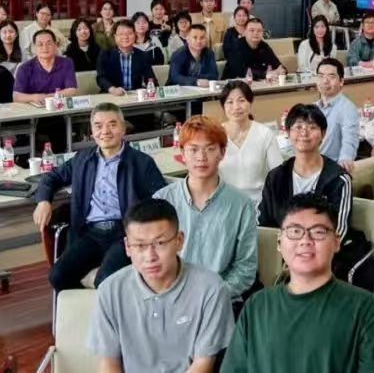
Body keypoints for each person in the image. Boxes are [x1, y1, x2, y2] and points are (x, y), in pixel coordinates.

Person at [221, 193, 374, 373]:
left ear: (336, 242)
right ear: (279, 242)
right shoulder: (257, 306)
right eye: (295, 231)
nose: (305, 241)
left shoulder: (366, 310)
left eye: (318, 232)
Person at [88, 198, 234, 373]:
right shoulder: (109, 291)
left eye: (160, 243)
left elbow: (203, 365)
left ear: (179, 240)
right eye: (140, 245)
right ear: (127, 246)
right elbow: (109, 364)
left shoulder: (212, 289)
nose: (150, 256)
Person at [33, 102, 168, 290]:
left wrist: (142, 233)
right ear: (91, 131)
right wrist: (43, 201)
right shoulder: (82, 159)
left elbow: (162, 201)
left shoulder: (141, 162)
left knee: (105, 281)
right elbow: (50, 178)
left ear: (123, 128)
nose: (105, 131)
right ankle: (89, 299)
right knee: (58, 276)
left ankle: (103, 298)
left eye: (112, 124)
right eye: (98, 126)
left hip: (125, 234)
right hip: (88, 233)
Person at [153, 116, 257, 299]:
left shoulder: (241, 205)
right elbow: (152, 256)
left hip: (221, 299)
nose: (201, 157)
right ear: (182, 153)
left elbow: (245, 268)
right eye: (193, 149)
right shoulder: (162, 200)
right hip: (171, 297)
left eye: (210, 149)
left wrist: (212, 296)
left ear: (222, 152)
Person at [258, 104, 353, 238]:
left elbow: (339, 232)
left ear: (323, 134)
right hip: (281, 248)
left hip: (324, 249)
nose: (304, 133)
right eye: (298, 127)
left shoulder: (339, 180)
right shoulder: (275, 178)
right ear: (288, 132)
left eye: (312, 127)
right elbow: (264, 225)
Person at [219, 81, 283, 202]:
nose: (236, 107)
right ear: (223, 106)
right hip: (224, 203)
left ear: (250, 103)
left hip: (258, 204)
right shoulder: (215, 135)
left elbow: (278, 175)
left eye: (241, 101)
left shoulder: (265, 134)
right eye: (230, 102)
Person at [314, 58, 359, 171]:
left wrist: (345, 159)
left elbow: (350, 139)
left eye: (331, 76)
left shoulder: (347, 108)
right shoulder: (313, 107)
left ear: (341, 81)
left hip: (330, 169)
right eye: (321, 76)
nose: (325, 81)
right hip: (311, 165)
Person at [13, 30, 78, 103]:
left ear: (55, 45)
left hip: (59, 106)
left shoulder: (67, 63)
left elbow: (72, 90)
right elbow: (16, 96)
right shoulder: (24, 68)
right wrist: (34, 97)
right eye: (40, 44)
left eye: (49, 43)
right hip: (33, 107)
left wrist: (49, 97)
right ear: (34, 47)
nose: (45, 47)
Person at [96, 19, 157, 94]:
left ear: (135, 35)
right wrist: (112, 89)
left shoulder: (143, 55)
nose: (125, 37)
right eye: (121, 34)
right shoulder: (105, 54)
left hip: (134, 95)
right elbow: (101, 78)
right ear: (115, 36)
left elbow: (151, 79)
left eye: (129, 33)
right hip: (111, 95)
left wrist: (150, 86)